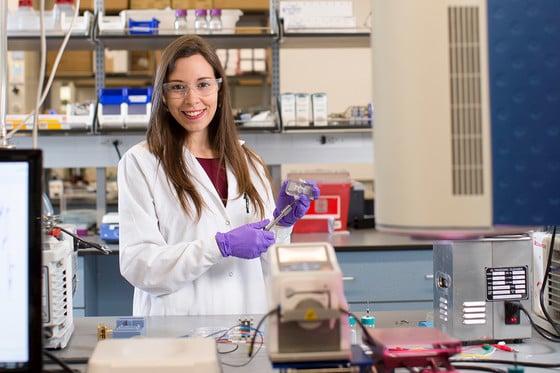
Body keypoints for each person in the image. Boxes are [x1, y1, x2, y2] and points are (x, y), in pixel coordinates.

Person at [117, 35, 320, 316]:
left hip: (246, 329)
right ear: (163, 96)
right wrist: (219, 246)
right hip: (177, 333)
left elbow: (266, 265)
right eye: (178, 87)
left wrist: (282, 223)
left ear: (219, 90)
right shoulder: (141, 162)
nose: (192, 99)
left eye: (203, 85)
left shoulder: (249, 163)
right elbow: (139, 265)